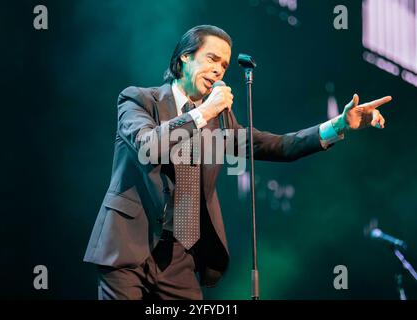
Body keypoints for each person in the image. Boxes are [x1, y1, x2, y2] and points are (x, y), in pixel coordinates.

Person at [83, 25, 392, 300]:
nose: (219, 70)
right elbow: (148, 146)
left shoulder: (220, 121)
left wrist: (339, 124)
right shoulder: (139, 100)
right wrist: (203, 113)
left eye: (225, 65)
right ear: (184, 59)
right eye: (212, 59)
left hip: (181, 259)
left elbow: (278, 145)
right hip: (128, 246)